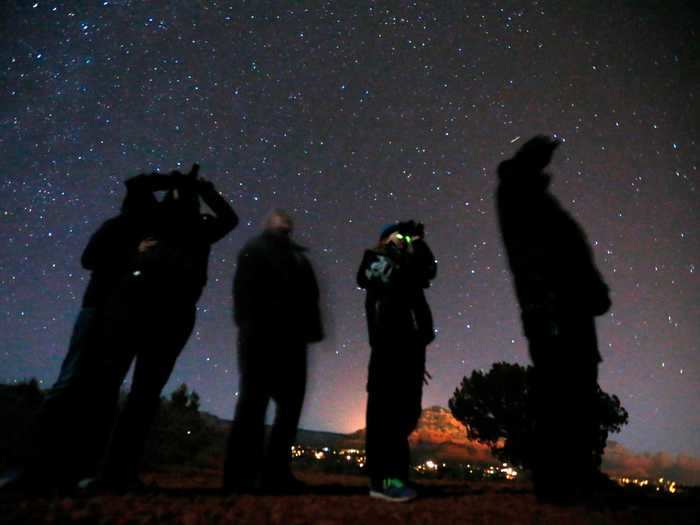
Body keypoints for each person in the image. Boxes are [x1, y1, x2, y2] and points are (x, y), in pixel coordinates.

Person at [0, 174, 160, 493]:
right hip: (99, 310)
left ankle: (75, 470)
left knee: (102, 393)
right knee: (71, 384)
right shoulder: (116, 227)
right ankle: (31, 468)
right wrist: (134, 251)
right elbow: (90, 260)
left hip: (122, 317)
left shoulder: (143, 232)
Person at [90, 165, 238, 491]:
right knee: (132, 392)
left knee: (132, 392)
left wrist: (180, 184)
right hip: (152, 310)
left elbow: (136, 184)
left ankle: (112, 472)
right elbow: (228, 218)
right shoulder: (175, 221)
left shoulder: (180, 223)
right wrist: (200, 188)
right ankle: (107, 470)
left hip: (156, 311)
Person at [496, 136, 611, 505]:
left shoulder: (531, 197)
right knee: (562, 391)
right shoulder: (522, 195)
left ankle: (572, 475)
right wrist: (547, 302)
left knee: (573, 390)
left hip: (565, 305)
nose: (550, 161)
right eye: (544, 155)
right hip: (556, 306)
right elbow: (537, 257)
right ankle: (562, 481)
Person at [224, 209, 323, 494]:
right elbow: (242, 292)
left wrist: (312, 331)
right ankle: (240, 477)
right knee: (253, 404)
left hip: (293, 339)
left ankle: (276, 474)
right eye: (279, 217)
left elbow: (310, 297)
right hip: (262, 336)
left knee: (289, 408)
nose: (286, 220)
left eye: (288, 218)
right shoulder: (255, 249)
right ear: (268, 224)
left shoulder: (298, 257)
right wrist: (249, 326)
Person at [356, 220, 437, 502]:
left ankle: (397, 478)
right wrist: (392, 248)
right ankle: (384, 482)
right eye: (400, 237)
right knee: (385, 417)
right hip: (388, 348)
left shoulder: (411, 267)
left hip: (412, 350)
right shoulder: (376, 262)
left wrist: (416, 242)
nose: (406, 241)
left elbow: (429, 269)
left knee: (406, 415)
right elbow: (371, 276)